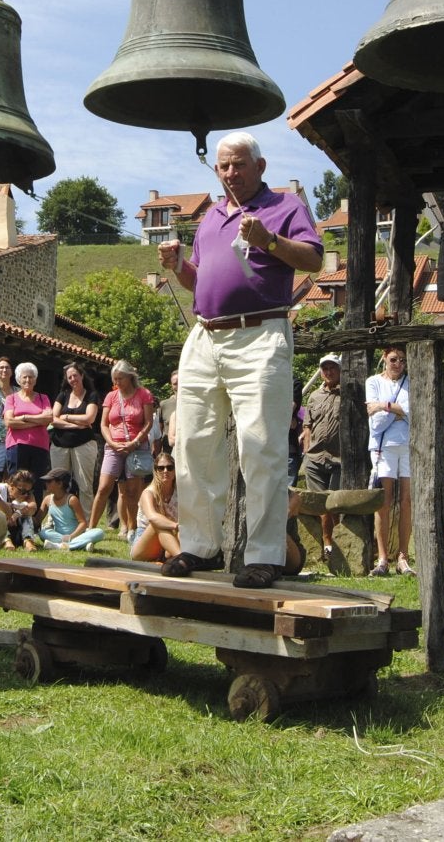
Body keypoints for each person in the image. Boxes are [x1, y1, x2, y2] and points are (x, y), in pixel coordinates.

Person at [157, 131, 322, 589]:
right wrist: (177, 268)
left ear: (260, 167)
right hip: (205, 334)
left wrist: (269, 241)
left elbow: (314, 261)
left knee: (262, 447)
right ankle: (200, 546)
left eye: (239, 165)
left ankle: (265, 555)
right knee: (193, 444)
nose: (230, 173)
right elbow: (201, 281)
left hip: (261, 332)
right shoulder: (211, 217)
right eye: (223, 166)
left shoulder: (285, 206)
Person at [92, 359, 155, 540]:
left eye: (120, 378)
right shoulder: (111, 397)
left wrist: (135, 442)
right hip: (113, 446)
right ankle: (91, 529)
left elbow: (148, 422)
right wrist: (111, 442)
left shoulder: (144, 394)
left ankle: (133, 529)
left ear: (129, 377)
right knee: (104, 487)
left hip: (136, 447)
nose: (117, 382)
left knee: (131, 491)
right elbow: (103, 424)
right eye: (115, 379)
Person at [366, 346, 413, 576]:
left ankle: (403, 556)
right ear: (384, 358)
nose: (398, 364)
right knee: (383, 502)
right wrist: (398, 412)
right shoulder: (373, 382)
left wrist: (385, 406)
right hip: (383, 447)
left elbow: (411, 412)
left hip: (408, 445)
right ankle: (382, 558)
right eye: (394, 359)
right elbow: (375, 423)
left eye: (402, 361)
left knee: (407, 501)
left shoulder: (409, 382)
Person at [299, 354, 346, 565]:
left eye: (332, 367)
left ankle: (340, 543)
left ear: (340, 369)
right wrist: (307, 452)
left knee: (336, 503)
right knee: (320, 504)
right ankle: (327, 543)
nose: (328, 371)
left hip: (339, 459)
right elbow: (307, 426)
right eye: (325, 368)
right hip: (315, 458)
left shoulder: (348, 394)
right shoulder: (314, 397)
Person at [49, 361, 101, 513]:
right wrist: (76, 425)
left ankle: (86, 520)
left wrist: (65, 417)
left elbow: (89, 419)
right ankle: (57, 517)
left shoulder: (91, 395)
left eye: (75, 375)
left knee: (85, 485)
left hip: (84, 445)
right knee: (57, 484)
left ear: (82, 376)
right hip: (59, 445)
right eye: (69, 377)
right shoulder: (63, 395)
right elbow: (53, 418)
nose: (73, 379)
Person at [3, 362, 53, 483]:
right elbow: (9, 421)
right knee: (16, 483)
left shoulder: (43, 398)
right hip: (16, 445)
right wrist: (38, 421)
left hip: (40, 446)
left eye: (31, 377)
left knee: (37, 485)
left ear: (35, 380)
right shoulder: (11, 398)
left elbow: (49, 418)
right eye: (24, 377)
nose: (27, 380)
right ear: (19, 380)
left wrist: (24, 417)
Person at [130, 453, 181, 562]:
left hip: (168, 543)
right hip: (145, 545)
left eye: (170, 467)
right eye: (161, 468)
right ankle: (181, 557)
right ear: (155, 471)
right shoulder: (148, 493)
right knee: (157, 523)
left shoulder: (180, 493)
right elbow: (152, 517)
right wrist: (175, 525)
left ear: (175, 471)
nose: (165, 471)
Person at [39, 468, 104, 550]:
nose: (46, 484)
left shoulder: (72, 500)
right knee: (43, 533)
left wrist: (71, 536)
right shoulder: (47, 500)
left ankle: (60, 546)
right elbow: (37, 520)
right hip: (58, 535)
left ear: (59, 484)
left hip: (76, 535)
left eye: (49, 481)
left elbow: (83, 523)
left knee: (99, 532)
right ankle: (82, 545)